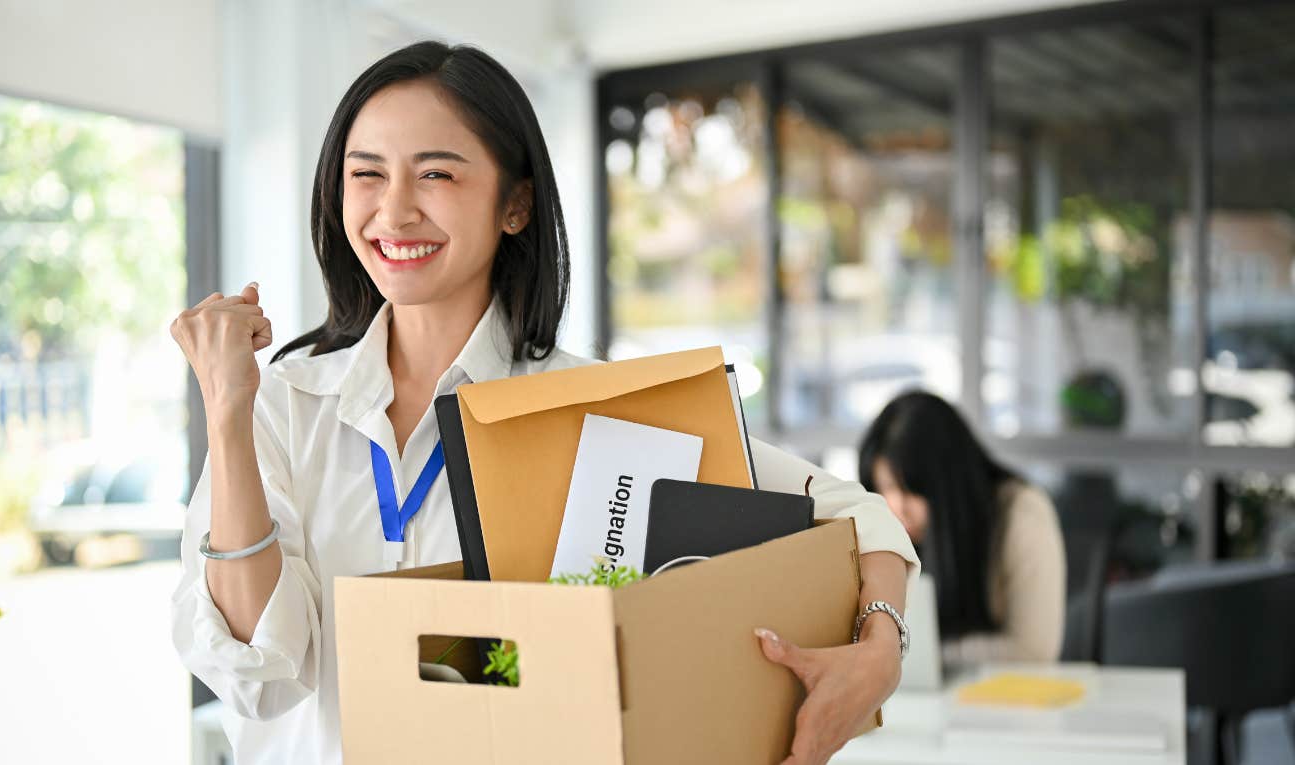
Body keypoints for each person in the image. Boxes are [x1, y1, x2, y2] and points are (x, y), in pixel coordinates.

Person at [170, 41, 918, 765]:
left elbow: (859, 511)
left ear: (516, 205)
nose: (393, 212)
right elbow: (261, 674)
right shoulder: (282, 408)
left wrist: (879, 653)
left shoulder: (589, 405)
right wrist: (228, 413)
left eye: (436, 175)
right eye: (367, 174)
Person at [858, 391, 1066, 664]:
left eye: (912, 490)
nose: (897, 507)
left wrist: (915, 654)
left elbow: (1033, 651)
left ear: (949, 485)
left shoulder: (1021, 513)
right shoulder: (893, 533)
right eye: (885, 489)